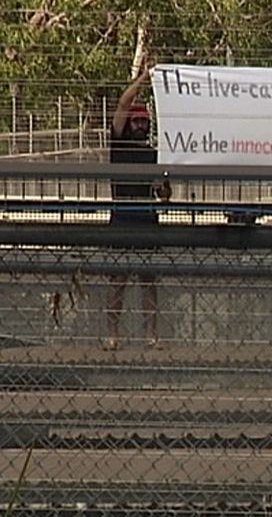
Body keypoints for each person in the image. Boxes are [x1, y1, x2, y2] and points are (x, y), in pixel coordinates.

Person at [105, 65, 171, 351]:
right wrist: (145, 77)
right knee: (118, 280)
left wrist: (163, 189)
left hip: (146, 218)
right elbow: (123, 103)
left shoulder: (153, 153)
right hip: (123, 217)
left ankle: (151, 335)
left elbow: (163, 193)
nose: (140, 126)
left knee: (148, 280)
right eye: (137, 121)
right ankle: (112, 334)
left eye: (144, 122)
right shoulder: (118, 144)